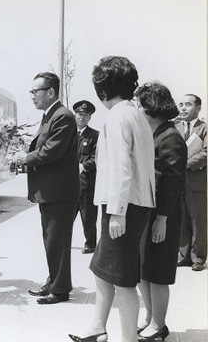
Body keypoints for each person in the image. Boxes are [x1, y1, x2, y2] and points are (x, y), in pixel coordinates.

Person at [68, 56, 155, 342]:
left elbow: (120, 166)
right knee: (102, 268)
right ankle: (97, 326)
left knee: (123, 280)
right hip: (134, 204)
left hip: (123, 206)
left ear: (102, 90)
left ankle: (128, 338)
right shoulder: (137, 114)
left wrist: (117, 212)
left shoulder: (117, 117)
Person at [14, 72, 79, 305]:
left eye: (35, 91)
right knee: (51, 240)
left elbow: (51, 151)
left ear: (50, 92)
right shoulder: (50, 116)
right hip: (51, 192)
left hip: (60, 192)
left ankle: (60, 290)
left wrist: (24, 158)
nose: (32, 96)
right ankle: (54, 281)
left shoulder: (63, 117)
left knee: (57, 241)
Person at [135, 82, 187, 341]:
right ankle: (149, 318)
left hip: (162, 215)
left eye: (140, 105)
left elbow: (173, 183)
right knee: (144, 269)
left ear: (152, 108)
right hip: (149, 213)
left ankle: (159, 324)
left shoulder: (171, 138)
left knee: (157, 272)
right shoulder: (154, 134)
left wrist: (163, 219)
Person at [175, 94, 207, 271]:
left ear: (198, 108)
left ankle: (198, 258)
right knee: (180, 219)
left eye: (188, 104)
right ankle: (184, 255)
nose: (183, 108)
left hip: (196, 182)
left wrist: (185, 163)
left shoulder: (204, 128)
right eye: (181, 104)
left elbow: (206, 153)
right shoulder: (175, 127)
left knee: (197, 219)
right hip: (177, 182)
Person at [73, 100, 99, 254]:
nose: (81, 117)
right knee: (67, 217)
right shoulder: (68, 135)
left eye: (85, 115)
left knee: (88, 217)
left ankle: (90, 244)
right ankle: (64, 242)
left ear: (89, 118)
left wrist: (83, 166)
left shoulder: (95, 135)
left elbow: (97, 157)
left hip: (86, 183)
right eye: (79, 114)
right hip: (69, 184)